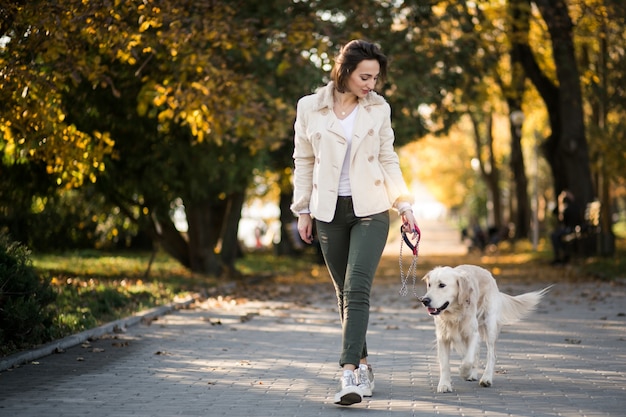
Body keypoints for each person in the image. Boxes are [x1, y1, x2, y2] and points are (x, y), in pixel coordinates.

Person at [290, 40, 420, 406]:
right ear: (344, 71)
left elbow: (387, 157)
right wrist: (303, 210)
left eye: (376, 78)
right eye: (365, 76)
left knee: (357, 287)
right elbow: (303, 161)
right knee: (344, 294)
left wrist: (404, 204)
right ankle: (363, 364)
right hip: (328, 212)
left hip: (371, 209)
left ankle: (347, 374)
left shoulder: (379, 109)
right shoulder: (309, 107)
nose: (371, 85)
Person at [550, 190, 582, 265]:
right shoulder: (564, 206)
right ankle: (561, 256)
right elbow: (555, 212)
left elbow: (564, 219)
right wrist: (560, 202)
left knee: (555, 236)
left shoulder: (572, 206)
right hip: (568, 229)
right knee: (555, 235)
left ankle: (562, 256)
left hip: (572, 228)